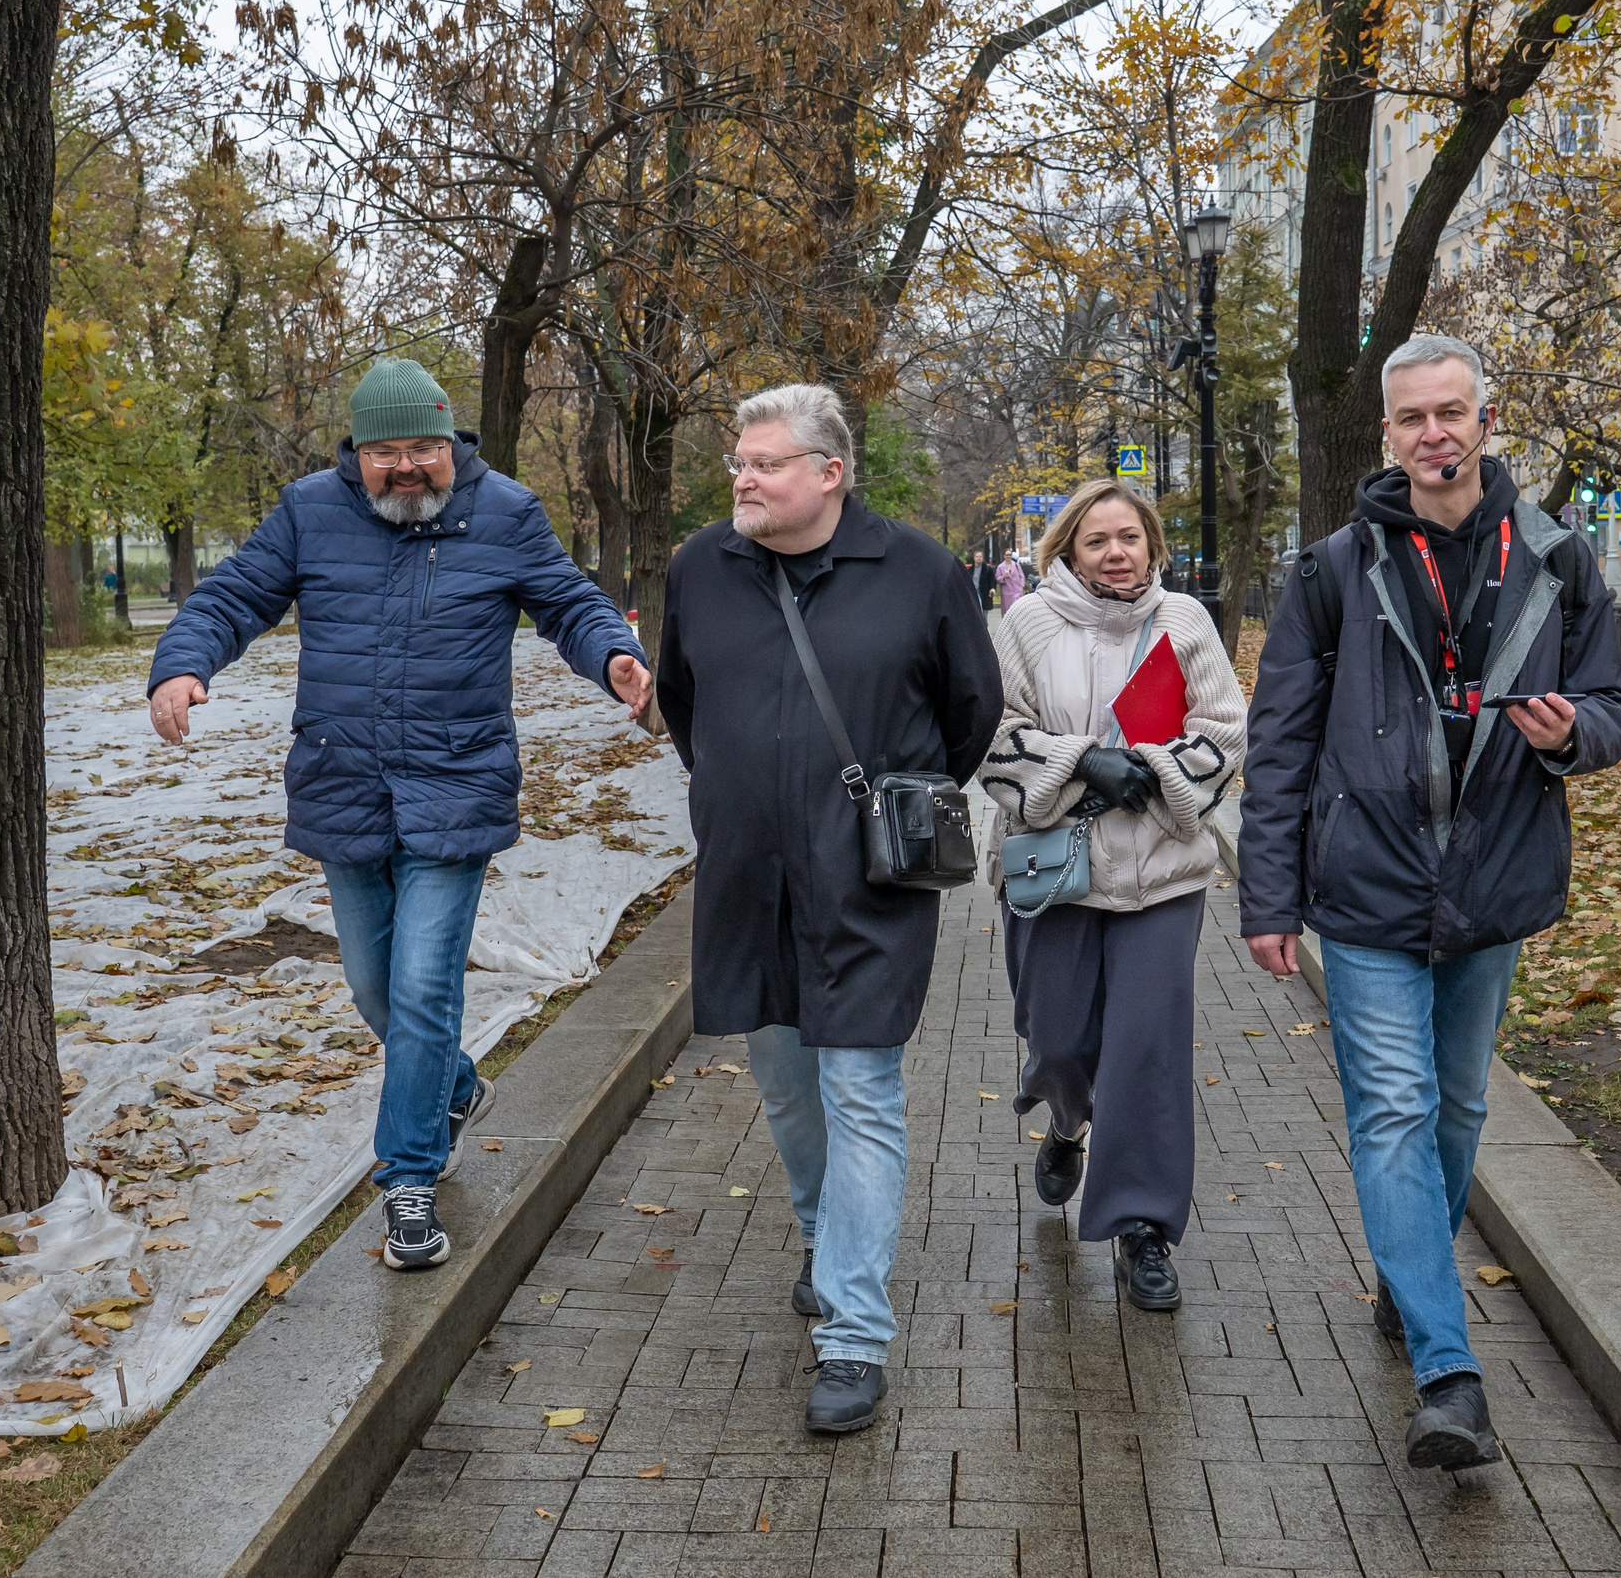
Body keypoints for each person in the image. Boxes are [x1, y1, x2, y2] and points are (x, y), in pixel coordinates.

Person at [148, 359, 651, 1271]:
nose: (407, 468)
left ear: (451, 443)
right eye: (387, 452)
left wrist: (613, 655)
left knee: (423, 987)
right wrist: (186, 663)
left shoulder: (505, 512)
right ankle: (452, 1087)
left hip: (456, 786)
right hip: (344, 785)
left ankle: (410, 1183)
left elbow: (569, 603)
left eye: (423, 448)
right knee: (377, 990)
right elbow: (231, 596)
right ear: (358, 453)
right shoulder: (310, 511)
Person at [1239, 333, 1621, 1472]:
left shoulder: (1557, 555)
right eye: (1412, 418)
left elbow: (1612, 704)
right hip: (1366, 885)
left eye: (1450, 412)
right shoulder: (1331, 568)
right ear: (1387, 433)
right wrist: (1270, 891)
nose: (1433, 434)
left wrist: (1573, 735)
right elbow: (1278, 747)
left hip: (1495, 875)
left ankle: (1404, 1271)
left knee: (1458, 1107)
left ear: (1483, 416)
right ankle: (1448, 1370)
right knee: (1395, 1110)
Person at [655, 384, 1001, 1435]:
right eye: (738, 464)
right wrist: (738, 789)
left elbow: (970, 707)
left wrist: (888, 797)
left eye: (763, 463)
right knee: (782, 1071)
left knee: (860, 1086)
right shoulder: (700, 567)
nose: (742, 480)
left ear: (828, 471)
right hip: (747, 875)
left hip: (867, 882)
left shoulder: (919, 572)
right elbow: (683, 699)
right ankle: (822, 1229)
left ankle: (852, 1331)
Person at [981, 481, 1244, 1310]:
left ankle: (1143, 1228)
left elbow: (1226, 732)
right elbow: (992, 734)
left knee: (1145, 1049)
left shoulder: (1185, 623)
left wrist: (1159, 772)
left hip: (1162, 874)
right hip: (1054, 869)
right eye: (1097, 540)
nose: (1116, 552)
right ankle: (1067, 1123)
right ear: (1068, 551)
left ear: (1153, 545)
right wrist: (1080, 762)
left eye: (1130, 537)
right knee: (1057, 1039)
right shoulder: (1026, 626)